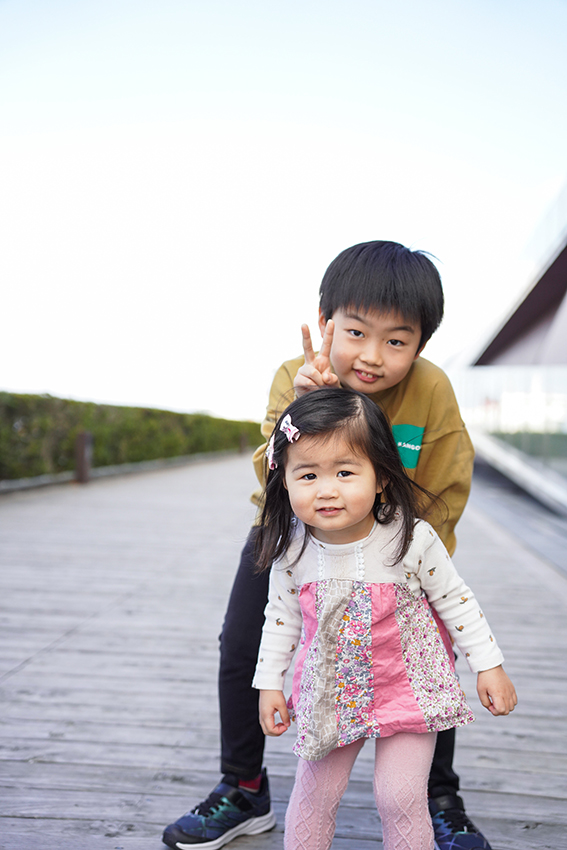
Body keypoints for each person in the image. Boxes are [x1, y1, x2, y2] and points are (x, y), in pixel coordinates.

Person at [162, 241, 487, 850]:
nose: (372, 356)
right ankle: (243, 786)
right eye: (356, 332)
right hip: (289, 538)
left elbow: (448, 484)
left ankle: (439, 797)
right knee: (242, 644)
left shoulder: (431, 389)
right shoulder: (296, 373)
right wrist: (303, 405)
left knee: (427, 657)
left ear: (421, 344)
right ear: (325, 319)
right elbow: (270, 475)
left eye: (397, 341)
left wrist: (414, 565)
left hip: (397, 549)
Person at [253, 388, 517, 850]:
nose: (327, 489)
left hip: (408, 686)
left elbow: (455, 599)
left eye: (345, 472)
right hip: (331, 689)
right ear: (285, 481)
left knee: (399, 797)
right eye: (308, 474)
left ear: (381, 477)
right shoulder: (292, 548)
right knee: (315, 795)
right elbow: (281, 618)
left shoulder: (411, 537)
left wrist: (488, 665)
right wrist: (269, 683)